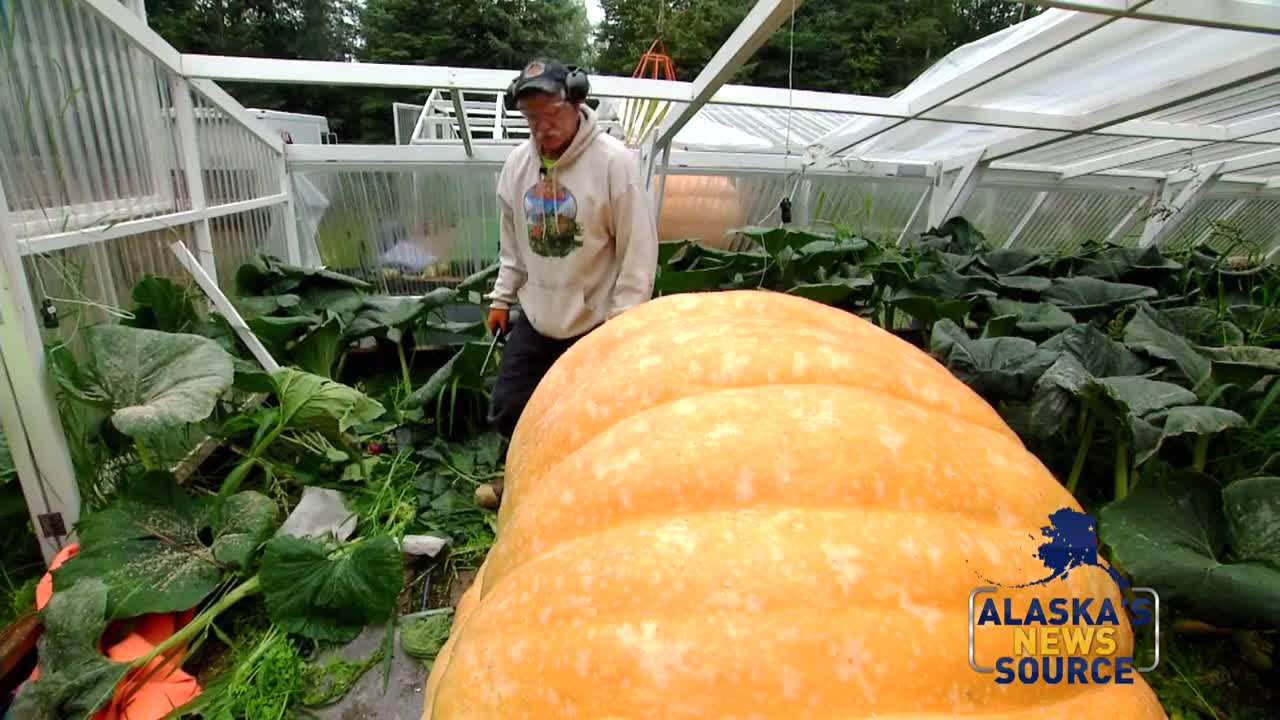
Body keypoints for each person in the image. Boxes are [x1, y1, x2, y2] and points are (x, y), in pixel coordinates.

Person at [484, 59, 660, 440]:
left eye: (551, 114)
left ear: (577, 103)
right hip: (538, 316)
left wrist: (624, 322)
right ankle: (525, 479)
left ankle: (577, 486)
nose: (542, 128)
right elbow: (513, 244)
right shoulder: (517, 166)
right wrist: (502, 298)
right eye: (532, 118)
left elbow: (638, 250)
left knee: (590, 418)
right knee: (510, 406)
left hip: (594, 320)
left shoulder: (614, 164)